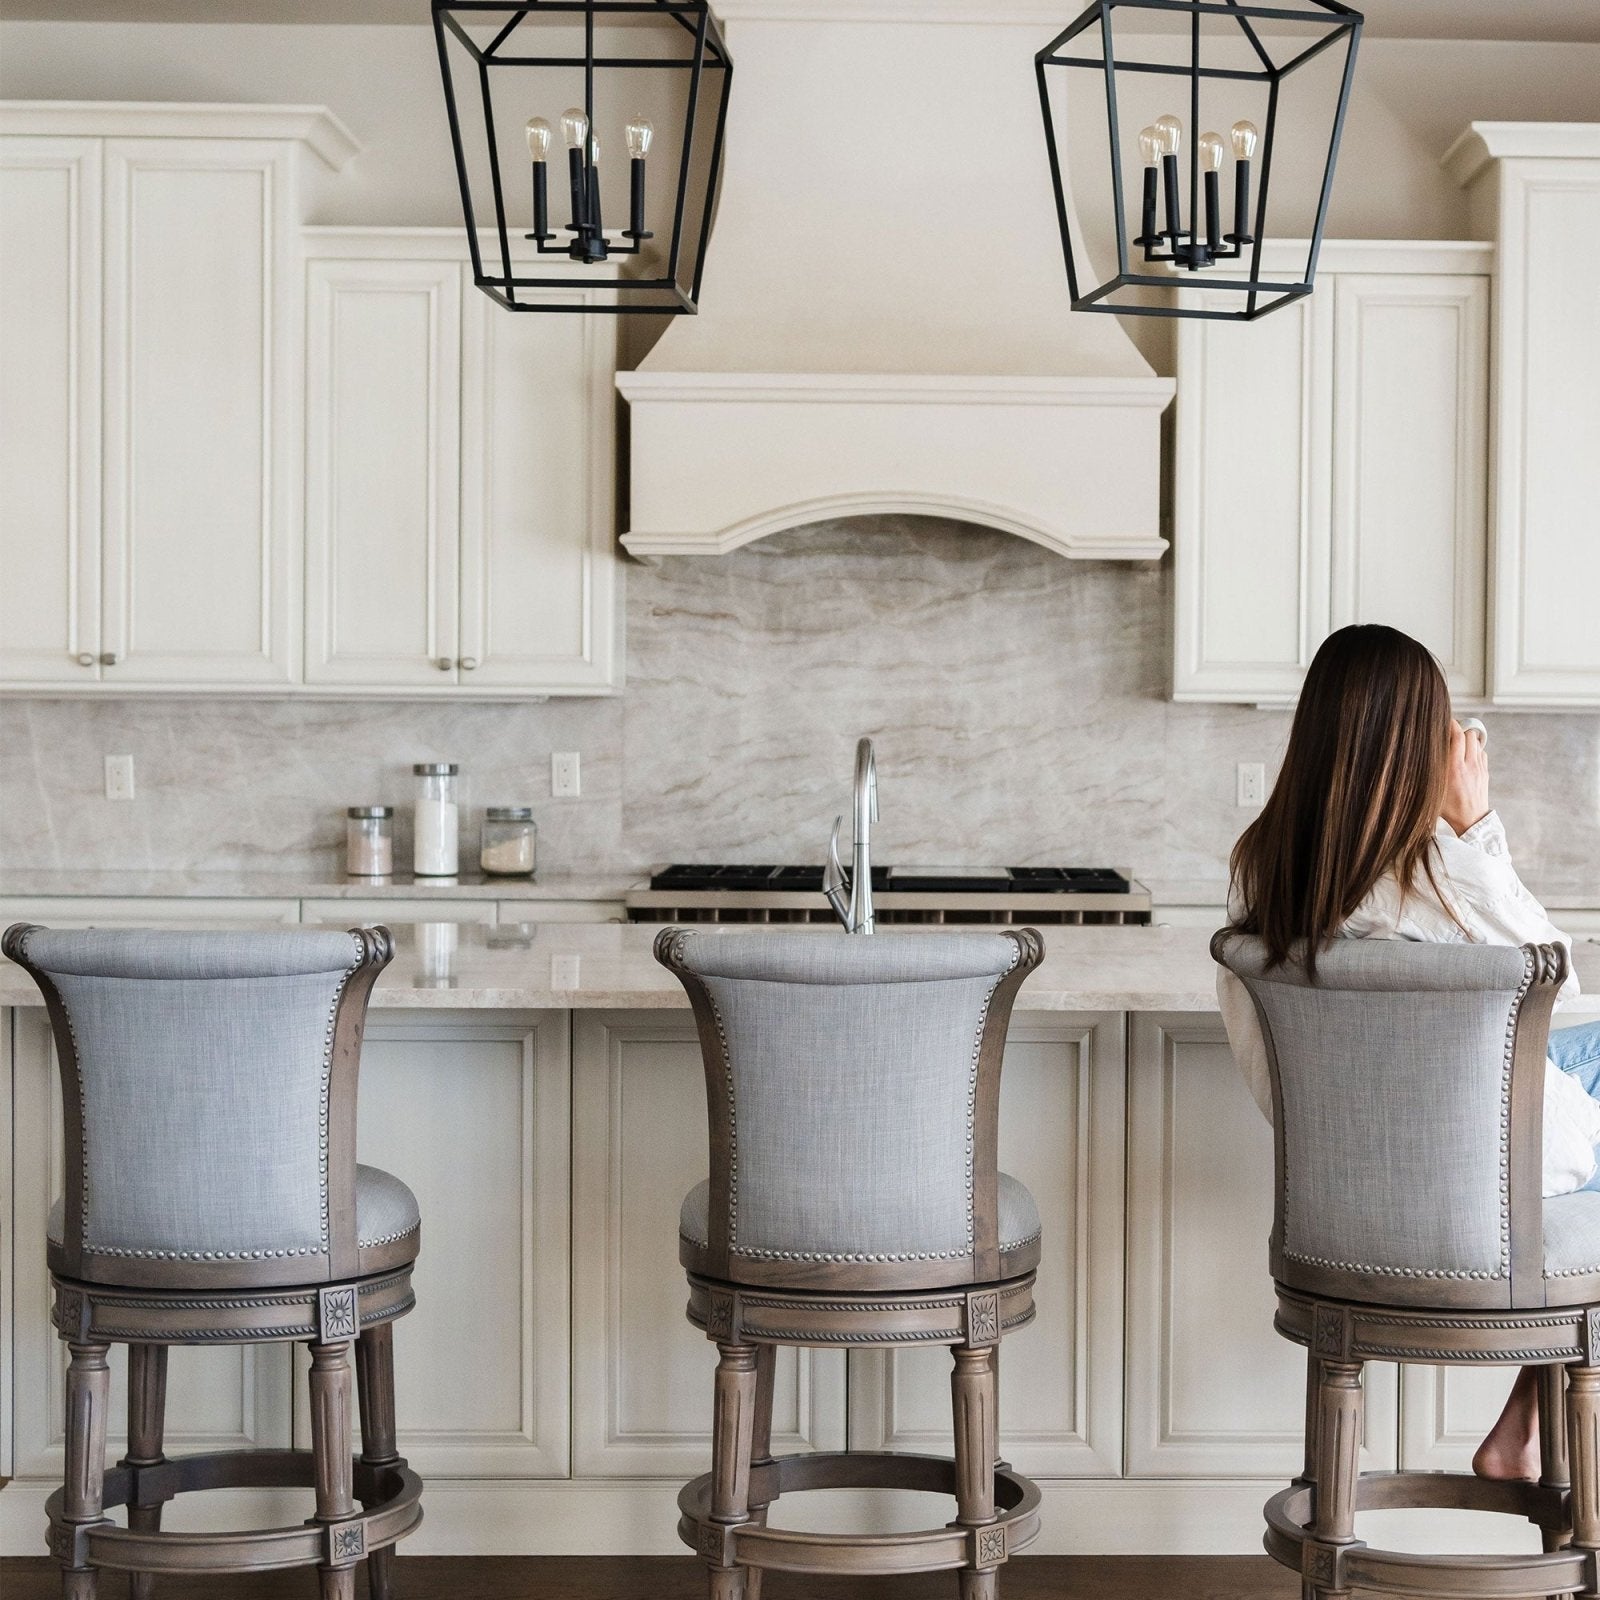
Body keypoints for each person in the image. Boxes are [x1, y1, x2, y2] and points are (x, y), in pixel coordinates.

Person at [1217, 622, 1600, 1482]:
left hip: (1341, 1178)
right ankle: (1527, 1426)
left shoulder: (1262, 867)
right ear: (1411, 744)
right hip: (1465, 1171)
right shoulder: (1423, 884)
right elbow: (1554, 974)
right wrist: (1478, 825)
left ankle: (1522, 1428)